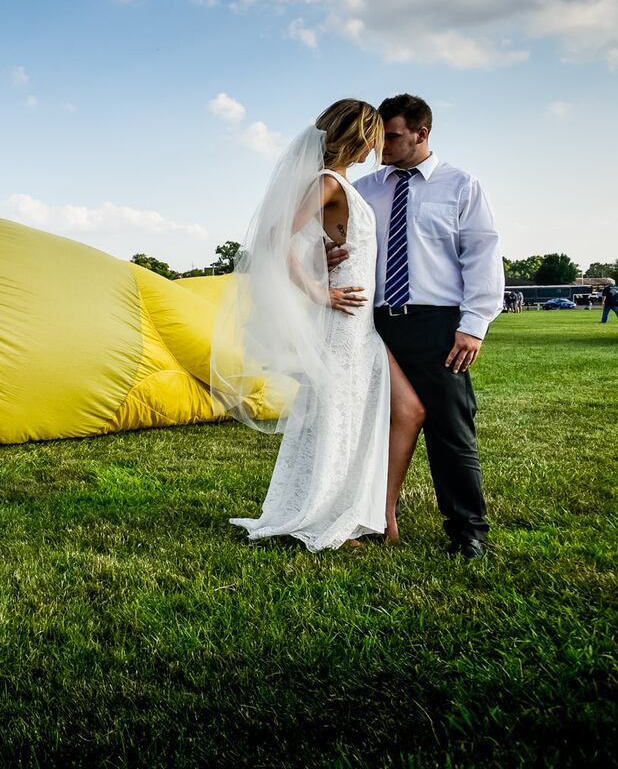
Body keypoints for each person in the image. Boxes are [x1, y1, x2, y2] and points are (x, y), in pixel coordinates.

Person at [213, 99, 424, 551]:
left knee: (383, 411)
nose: (379, 142)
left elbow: (325, 239)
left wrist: (319, 259)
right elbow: (273, 236)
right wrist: (314, 288)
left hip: (360, 322)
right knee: (338, 413)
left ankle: (360, 509)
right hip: (342, 319)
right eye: (376, 133)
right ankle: (329, 516)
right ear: (360, 135)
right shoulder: (328, 182)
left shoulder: (342, 184)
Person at [348, 94, 502, 560]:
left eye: (392, 137)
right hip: (372, 323)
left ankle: (468, 530)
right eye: (378, 139)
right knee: (367, 421)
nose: (382, 148)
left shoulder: (461, 186)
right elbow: (345, 242)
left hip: (438, 323)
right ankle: (367, 514)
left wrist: (473, 326)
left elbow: (482, 254)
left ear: (422, 133)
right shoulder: (365, 188)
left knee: (450, 427)